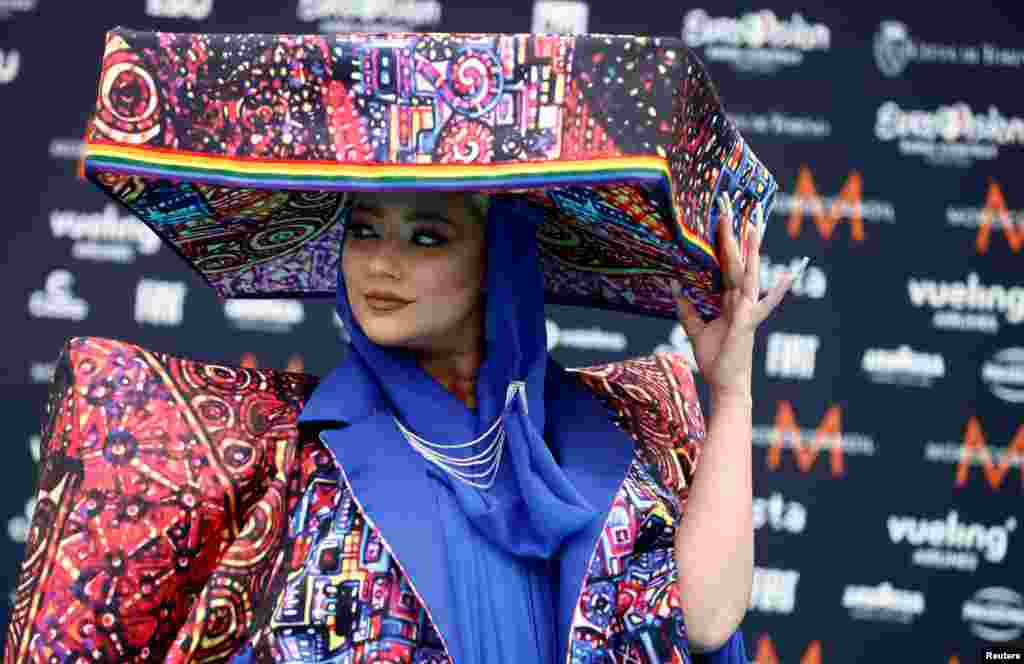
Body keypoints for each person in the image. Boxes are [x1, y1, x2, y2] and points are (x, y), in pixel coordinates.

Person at [243, 187, 799, 663]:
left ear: (496, 256)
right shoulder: (296, 455)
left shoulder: (612, 420)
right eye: (363, 230)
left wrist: (731, 393)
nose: (380, 264)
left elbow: (697, 622)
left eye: (426, 237)